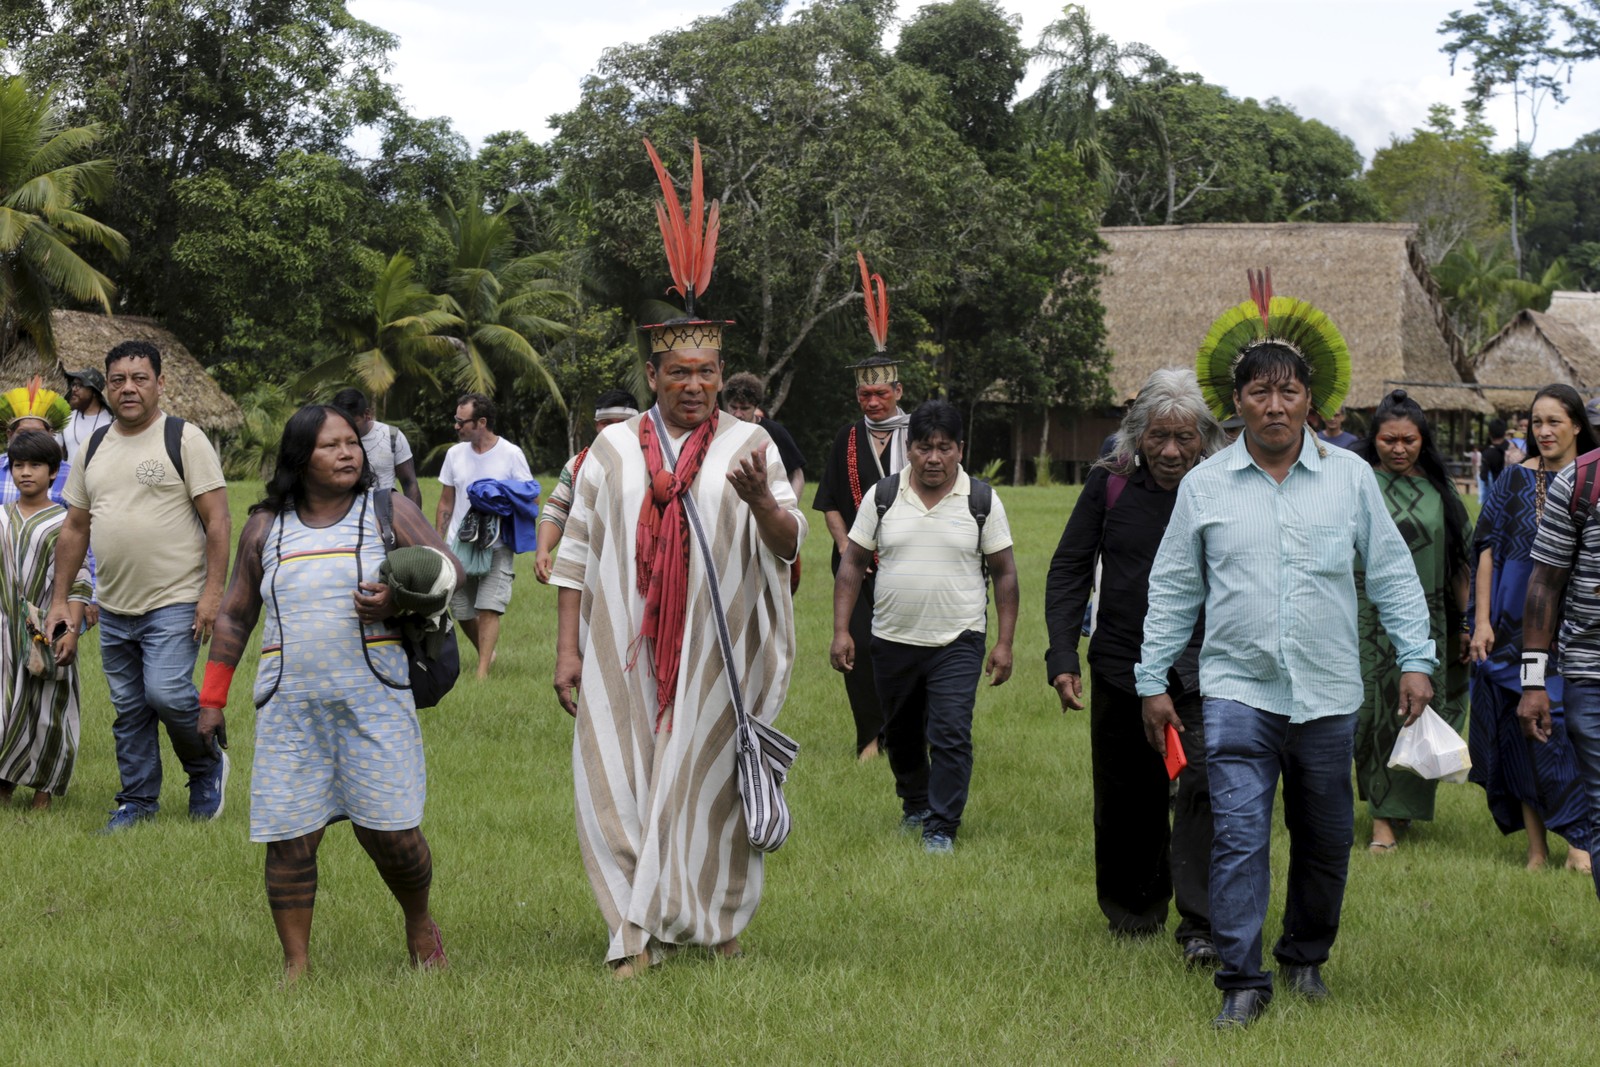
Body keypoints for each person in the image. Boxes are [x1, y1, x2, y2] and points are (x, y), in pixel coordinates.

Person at [1138, 271, 1435, 1029]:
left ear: (1312, 400)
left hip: (1328, 693)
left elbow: (1395, 574)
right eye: (1259, 393)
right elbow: (1173, 589)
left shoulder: (1351, 481)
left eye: (1288, 392)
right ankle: (1242, 977)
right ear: (1235, 403)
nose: (1274, 405)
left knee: (1327, 834)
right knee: (1239, 835)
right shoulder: (1205, 487)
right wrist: (1152, 679)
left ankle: (1305, 956)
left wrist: (1416, 657)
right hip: (1237, 688)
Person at [551, 137, 804, 977]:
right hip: (624, 648)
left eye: (708, 371)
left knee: (712, 789)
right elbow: (578, 554)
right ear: (654, 373)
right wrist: (564, 648)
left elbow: (791, 541)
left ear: (722, 373)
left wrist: (762, 500)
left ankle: (715, 920)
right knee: (618, 785)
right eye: (678, 371)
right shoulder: (615, 452)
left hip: (720, 651)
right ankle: (630, 935)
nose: (694, 384)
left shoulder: (753, 439)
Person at [198, 404, 463, 980]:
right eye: (329, 445)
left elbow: (449, 572)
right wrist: (212, 698)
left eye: (352, 443)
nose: (347, 453)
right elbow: (236, 616)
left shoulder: (388, 510)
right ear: (299, 457)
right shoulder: (266, 527)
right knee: (289, 837)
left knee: (392, 832)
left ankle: (419, 924)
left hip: (375, 699)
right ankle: (297, 964)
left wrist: (398, 598)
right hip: (290, 707)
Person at [1044, 368, 1226, 964]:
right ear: (1136, 434)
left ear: (1205, 436)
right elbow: (1071, 566)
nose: (1171, 452)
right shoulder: (1111, 483)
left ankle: (1200, 923)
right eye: (1157, 437)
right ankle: (1134, 911)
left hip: (1205, 666)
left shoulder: (1226, 485)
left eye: (1185, 437)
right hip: (1122, 662)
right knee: (1127, 794)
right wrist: (1063, 653)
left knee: (1200, 788)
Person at [47, 339, 231, 834]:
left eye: (139, 378)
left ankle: (205, 766)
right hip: (114, 604)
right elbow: (74, 528)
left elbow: (217, 522)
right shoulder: (94, 446)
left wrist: (212, 595)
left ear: (160, 383)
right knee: (129, 708)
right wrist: (62, 598)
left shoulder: (184, 438)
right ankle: (137, 802)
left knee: (167, 693)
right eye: (118, 380)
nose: (128, 389)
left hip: (174, 598)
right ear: (107, 387)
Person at [831, 399, 1018, 853]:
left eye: (944, 448)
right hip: (892, 637)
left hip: (959, 637)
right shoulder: (884, 496)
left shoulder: (981, 500)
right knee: (903, 733)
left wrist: (1005, 643)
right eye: (923, 448)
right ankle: (915, 804)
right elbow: (853, 562)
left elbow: (1005, 573)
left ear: (960, 449)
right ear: (909, 449)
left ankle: (942, 825)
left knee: (951, 731)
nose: (933, 458)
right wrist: (841, 630)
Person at [1469, 384, 1597, 871]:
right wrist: (1481, 621)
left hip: (1579, 624)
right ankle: (1538, 850)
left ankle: (1580, 842)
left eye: (1554, 422)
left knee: (1566, 730)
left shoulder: (1592, 478)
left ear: (1577, 425)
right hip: (1513, 626)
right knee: (1518, 731)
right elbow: (1486, 548)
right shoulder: (1512, 480)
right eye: (1536, 423)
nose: (1543, 432)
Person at [1351, 390, 1474, 852]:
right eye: (1388, 440)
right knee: (1369, 718)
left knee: (1415, 713)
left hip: (1427, 621)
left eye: (1409, 440)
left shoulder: (1440, 492)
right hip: (1364, 619)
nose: (1399, 449)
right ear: (1374, 439)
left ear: (1424, 441)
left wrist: (1466, 625)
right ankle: (1380, 811)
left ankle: (1392, 815)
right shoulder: (1355, 483)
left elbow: (1460, 563)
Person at [813, 252, 908, 760]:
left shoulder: (922, 438)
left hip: (912, 560)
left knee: (908, 651)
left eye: (880, 394)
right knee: (862, 648)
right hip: (856, 564)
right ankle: (871, 736)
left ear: (898, 391)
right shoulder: (847, 438)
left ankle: (907, 733)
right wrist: (848, 548)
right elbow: (829, 502)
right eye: (864, 394)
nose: (872, 403)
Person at [0, 432, 92, 810]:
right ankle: (4, 781)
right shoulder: (1, 516)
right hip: (3, 631)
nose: (26, 473)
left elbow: (77, 581)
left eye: (35, 465)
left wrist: (68, 631)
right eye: (18, 465)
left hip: (45, 629)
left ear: (54, 473)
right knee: (5, 707)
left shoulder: (64, 523)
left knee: (47, 710)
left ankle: (44, 790)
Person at [436, 392, 533, 678]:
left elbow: (531, 497)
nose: (456, 426)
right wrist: (439, 541)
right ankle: (487, 654)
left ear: (481, 422)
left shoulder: (511, 454)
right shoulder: (454, 454)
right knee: (462, 609)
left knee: (489, 607)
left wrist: (498, 495)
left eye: (460, 421)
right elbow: (445, 501)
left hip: (497, 543)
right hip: (459, 543)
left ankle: (481, 675)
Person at [534, 389, 639, 584]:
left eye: (621, 423)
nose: (613, 430)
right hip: (585, 561)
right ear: (597, 425)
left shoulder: (651, 464)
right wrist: (543, 550)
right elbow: (557, 511)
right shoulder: (577, 465)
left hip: (634, 565)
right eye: (607, 423)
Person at [330, 388, 422, 507]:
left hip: (385, 515)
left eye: (353, 422)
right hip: (347, 517)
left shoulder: (392, 435)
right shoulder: (329, 441)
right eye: (343, 422)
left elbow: (409, 483)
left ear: (367, 415)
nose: (348, 428)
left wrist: (413, 521)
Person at [722, 372, 806, 498]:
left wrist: (789, 509)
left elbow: (797, 474)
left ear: (756, 407)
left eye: (744, 408)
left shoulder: (774, 432)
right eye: (733, 407)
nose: (737, 414)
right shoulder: (719, 431)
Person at [0, 381, 74, 506]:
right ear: (10, 434)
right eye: (23, 432)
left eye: (38, 433)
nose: (30, 439)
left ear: (50, 434)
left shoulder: (69, 474)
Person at [61, 367, 114, 464]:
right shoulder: (65, 418)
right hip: (70, 478)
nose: (74, 389)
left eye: (80, 385)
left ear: (94, 392)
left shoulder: (112, 421)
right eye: (73, 385)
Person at [1479, 418, 1509, 502]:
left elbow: (1483, 476)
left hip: (1496, 491)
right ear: (1504, 433)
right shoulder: (1512, 448)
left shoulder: (1487, 453)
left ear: (1489, 433)